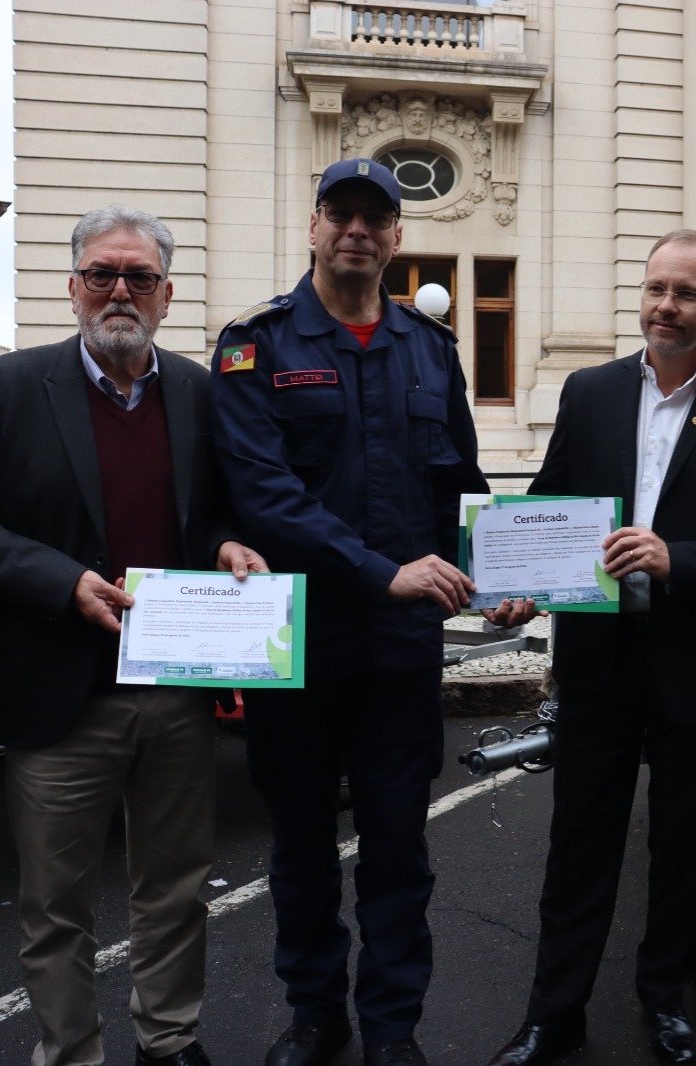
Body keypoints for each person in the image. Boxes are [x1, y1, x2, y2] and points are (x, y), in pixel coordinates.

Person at [0, 205, 265, 1066]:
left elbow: (218, 512)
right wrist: (60, 583)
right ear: (72, 285)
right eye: (102, 275)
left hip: (175, 692)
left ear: (167, 293)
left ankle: (169, 1038)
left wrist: (228, 542)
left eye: (139, 278)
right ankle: (71, 1050)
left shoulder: (202, 392)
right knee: (56, 904)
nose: (119, 291)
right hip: (58, 697)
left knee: (175, 888)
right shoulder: (1, 392)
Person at [481, 229, 696, 1066]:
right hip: (598, 661)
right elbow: (548, 504)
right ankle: (555, 1014)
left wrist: (678, 558)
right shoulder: (589, 393)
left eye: (688, 293)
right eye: (657, 288)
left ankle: (664, 1001)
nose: (667, 305)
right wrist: (517, 584)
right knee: (580, 844)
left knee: (684, 845)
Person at [211, 159, 492, 1066]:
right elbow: (264, 496)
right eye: (342, 214)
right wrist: (385, 572)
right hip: (299, 647)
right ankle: (315, 1014)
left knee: (400, 852)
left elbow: (458, 483)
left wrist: (501, 569)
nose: (357, 231)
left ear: (396, 238)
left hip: (401, 654)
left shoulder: (428, 345)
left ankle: (393, 1028)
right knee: (299, 849)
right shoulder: (255, 344)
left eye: (376, 218)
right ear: (314, 224)